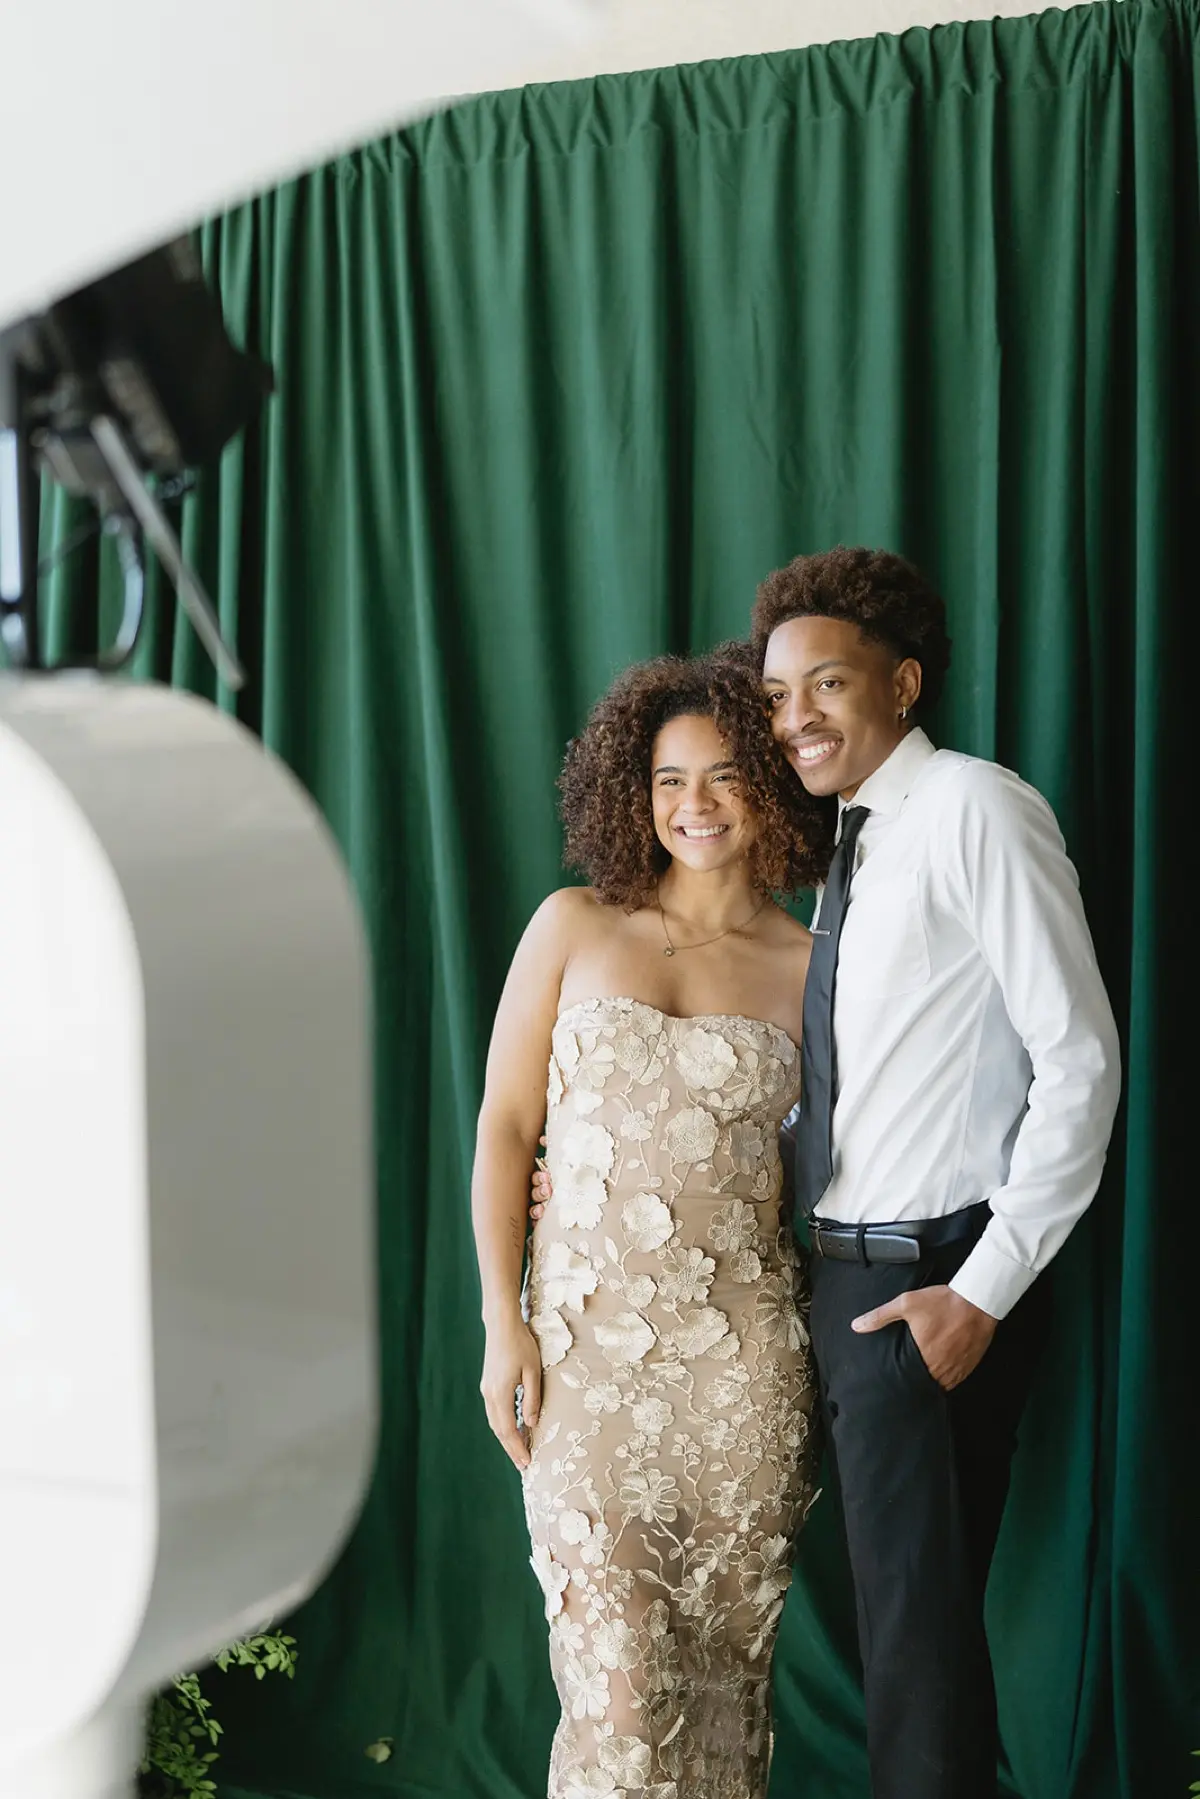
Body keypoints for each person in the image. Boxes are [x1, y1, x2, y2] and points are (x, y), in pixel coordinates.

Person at [752, 545, 1122, 1799]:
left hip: (934, 1280)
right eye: (776, 695)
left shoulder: (974, 806)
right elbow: (869, 1074)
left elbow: (1079, 1058)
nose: (795, 716)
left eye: (828, 684)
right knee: (906, 1652)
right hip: (848, 1279)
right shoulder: (853, 845)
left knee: (918, 1666)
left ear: (902, 682)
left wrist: (983, 1291)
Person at [471, 647, 832, 1799]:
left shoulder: (816, 965)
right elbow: (505, 1123)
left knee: (725, 1702)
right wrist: (502, 1316)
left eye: (724, 776)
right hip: (585, 1366)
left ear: (770, 785)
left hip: (745, 1375)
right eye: (670, 781)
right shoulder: (574, 922)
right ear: (635, 791)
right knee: (620, 1697)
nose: (696, 806)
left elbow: (844, 1166)